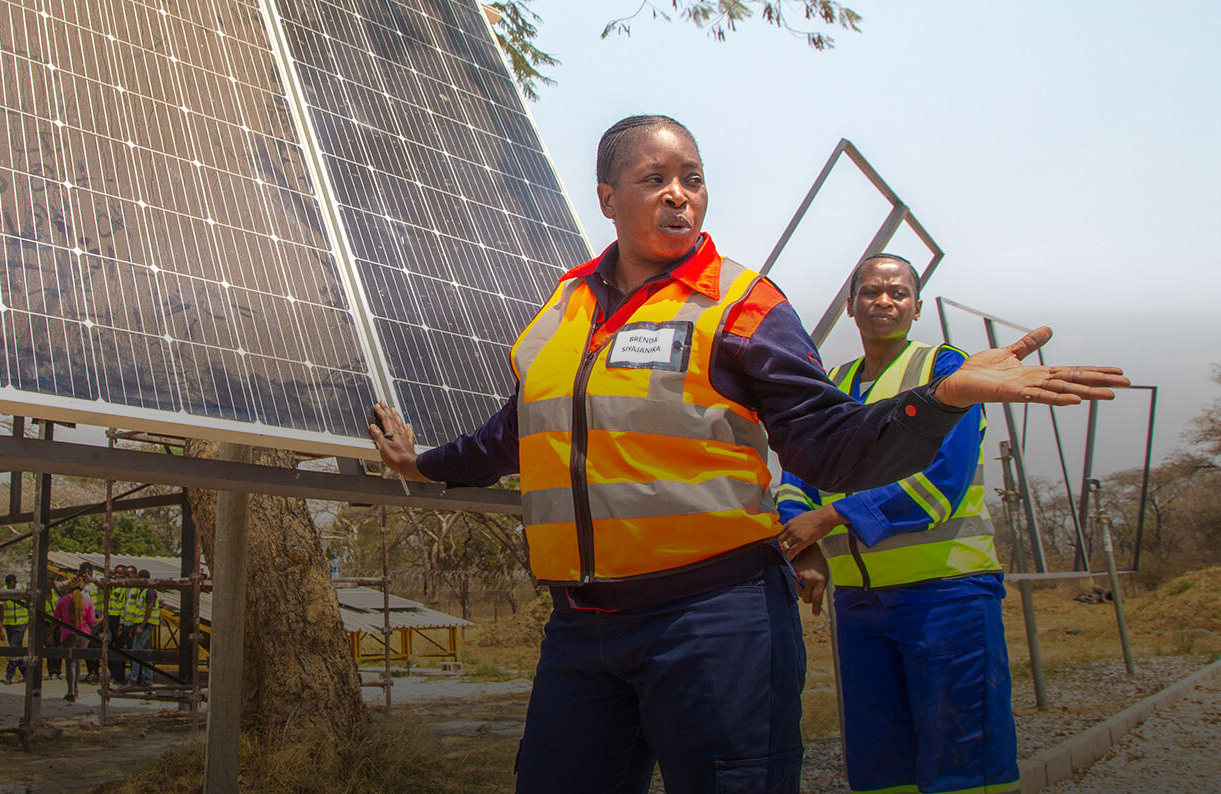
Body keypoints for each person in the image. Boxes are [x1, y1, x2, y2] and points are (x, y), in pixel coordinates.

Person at [367, 115, 1125, 793]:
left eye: (692, 180)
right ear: (607, 198)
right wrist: (421, 464)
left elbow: (829, 447)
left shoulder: (745, 306)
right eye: (654, 179)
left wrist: (941, 398)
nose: (678, 196)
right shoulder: (561, 309)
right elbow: (514, 434)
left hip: (716, 620)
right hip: (581, 626)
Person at [775, 253, 1018, 794]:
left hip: (946, 596)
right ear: (850, 307)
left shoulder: (946, 371)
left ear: (916, 307)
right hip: (860, 606)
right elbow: (796, 478)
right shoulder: (830, 386)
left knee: (965, 762)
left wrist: (833, 516)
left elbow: (943, 485)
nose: (884, 301)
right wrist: (803, 543)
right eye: (871, 292)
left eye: (898, 292)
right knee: (880, 766)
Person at [51, 584, 98, 703]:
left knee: (70, 664)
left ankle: (70, 691)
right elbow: (92, 622)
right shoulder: (87, 601)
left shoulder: (63, 601)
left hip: (68, 635)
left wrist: (48, 635)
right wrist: (102, 618)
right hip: (84, 635)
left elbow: (55, 619)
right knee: (77, 662)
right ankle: (76, 689)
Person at [126, 574, 159, 685]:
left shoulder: (149, 591)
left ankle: (133, 679)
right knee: (146, 653)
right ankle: (148, 679)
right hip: (140, 624)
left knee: (136, 651)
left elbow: (149, 609)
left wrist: (141, 627)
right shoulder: (140, 592)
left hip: (146, 625)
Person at [0, 574, 30, 685]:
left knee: (14, 648)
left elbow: (29, 602)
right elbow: (1, 610)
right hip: (9, 624)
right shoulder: (3, 591)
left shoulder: (22, 589)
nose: (10, 586)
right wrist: (1, 628)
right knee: (17, 650)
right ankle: (26, 674)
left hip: (21, 623)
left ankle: (9, 675)